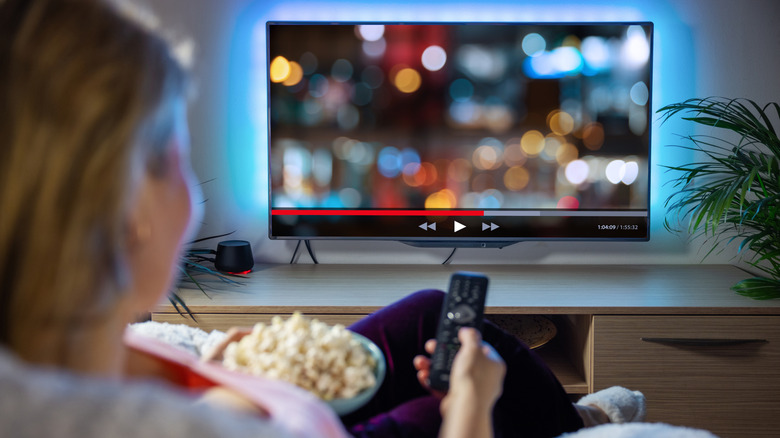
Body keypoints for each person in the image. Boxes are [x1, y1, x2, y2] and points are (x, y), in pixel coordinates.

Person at [0, 0, 647, 437]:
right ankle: (575, 424)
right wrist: (472, 407)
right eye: (177, 157)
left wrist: (223, 367)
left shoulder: (59, 354)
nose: (194, 191)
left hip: (269, 404)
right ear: (129, 212)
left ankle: (570, 414)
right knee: (450, 394)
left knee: (433, 312)